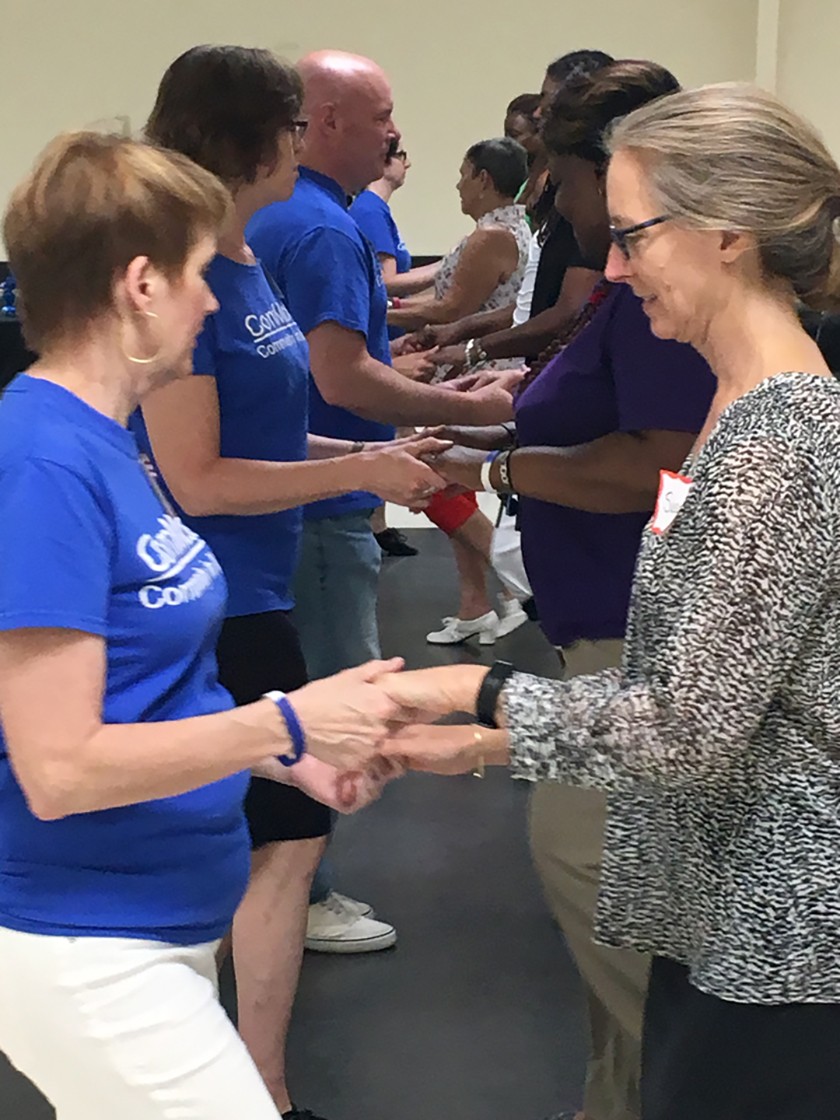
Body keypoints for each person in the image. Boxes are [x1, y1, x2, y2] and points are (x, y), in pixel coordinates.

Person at [382, 80, 840, 1120]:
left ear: (729, 234)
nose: (618, 265)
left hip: (777, 935)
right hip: (719, 905)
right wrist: (483, 742)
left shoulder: (779, 440)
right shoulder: (736, 410)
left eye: (637, 236)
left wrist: (480, 698)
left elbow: (690, 726)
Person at [0, 129, 413, 1120]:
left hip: (165, 920)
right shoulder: (43, 463)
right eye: (199, 272)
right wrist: (287, 724)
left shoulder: (106, 443)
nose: (216, 299)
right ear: (140, 284)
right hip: (86, 943)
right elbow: (58, 768)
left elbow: (148, 694)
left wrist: (277, 759)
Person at [136, 46, 446, 1115]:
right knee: (272, 840)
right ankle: (244, 1084)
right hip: (209, 601)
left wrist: (375, 453)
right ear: (267, 138)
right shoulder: (182, 277)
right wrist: (362, 465)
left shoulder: (246, 260)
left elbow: (271, 426)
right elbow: (200, 477)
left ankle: (254, 1080)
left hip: (257, 586)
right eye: (291, 129)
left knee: (282, 841)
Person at [415, 61, 716, 1120]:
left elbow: (662, 464)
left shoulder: (654, 305)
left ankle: (706, 1085)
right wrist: (490, 441)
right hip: (602, 618)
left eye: (566, 180)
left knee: (583, 857)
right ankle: (619, 1097)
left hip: (638, 629)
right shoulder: (620, 295)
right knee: (621, 894)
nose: (557, 203)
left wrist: (498, 468)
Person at [247, 50, 515, 948]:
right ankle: (301, 887)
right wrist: (463, 406)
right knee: (332, 700)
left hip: (305, 492)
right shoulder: (324, 229)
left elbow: (329, 370)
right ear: (324, 123)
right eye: (381, 115)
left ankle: (288, 884)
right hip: (318, 513)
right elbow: (343, 376)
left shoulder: (297, 220)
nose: (396, 134)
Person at [350, 145, 423, 558]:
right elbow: (386, 283)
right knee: (400, 435)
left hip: (387, 334)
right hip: (382, 336)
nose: (407, 163)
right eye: (401, 154)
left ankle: (380, 523)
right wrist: (452, 271)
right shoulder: (370, 210)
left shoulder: (378, 210)